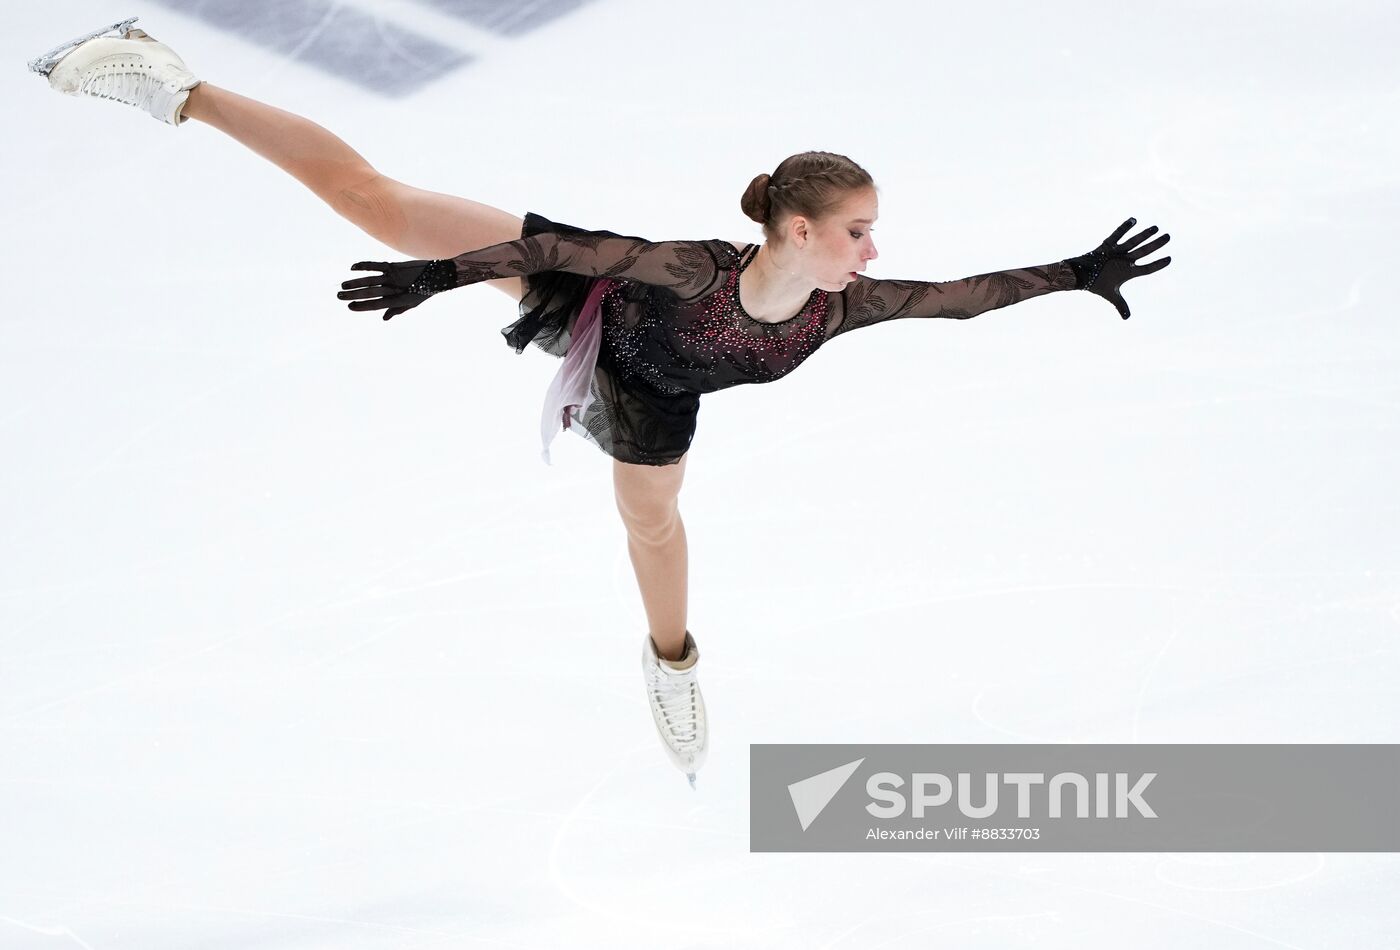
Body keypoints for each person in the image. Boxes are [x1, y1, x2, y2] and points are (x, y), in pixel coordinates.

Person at [29, 19, 1173, 790]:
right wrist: (440, 273)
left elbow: (962, 299)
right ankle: (172, 81)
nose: (875, 246)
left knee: (651, 523)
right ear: (793, 231)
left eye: (870, 230)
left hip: (653, 389)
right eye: (857, 229)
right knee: (376, 200)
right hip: (584, 294)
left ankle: (670, 661)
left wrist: (1078, 272)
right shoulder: (690, 267)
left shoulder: (841, 304)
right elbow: (555, 244)